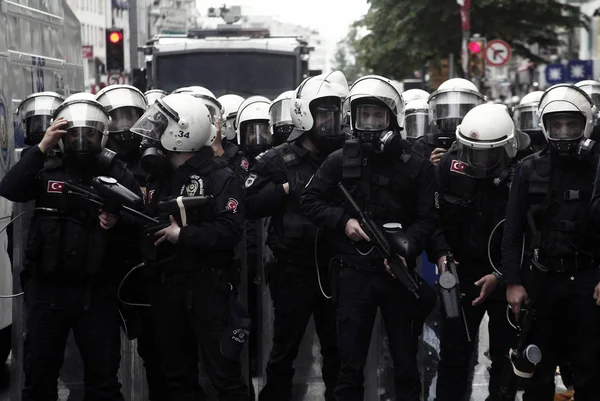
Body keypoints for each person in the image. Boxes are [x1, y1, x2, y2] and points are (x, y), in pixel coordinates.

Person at [300, 75, 437, 401]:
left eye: (378, 116)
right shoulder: (340, 160)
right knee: (349, 367)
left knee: (406, 364)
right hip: (353, 276)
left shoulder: (415, 165)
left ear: (392, 118)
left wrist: (407, 249)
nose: (372, 123)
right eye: (365, 116)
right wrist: (343, 221)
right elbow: (310, 200)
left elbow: (428, 219)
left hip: (397, 275)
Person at [0, 95, 142, 401]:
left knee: (103, 381)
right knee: (38, 378)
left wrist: (117, 218)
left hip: (96, 293)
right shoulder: (44, 167)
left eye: (89, 132)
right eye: (73, 132)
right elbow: (10, 187)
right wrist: (41, 148)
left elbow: (142, 216)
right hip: (47, 292)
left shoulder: (114, 169)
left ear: (101, 134)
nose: (81, 139)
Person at [130, 93, 249, 401]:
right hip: (167, 289)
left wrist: (182, 234)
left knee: (224, 375)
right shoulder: (159, 175)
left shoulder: (220, 176)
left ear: (180, 132)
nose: (155, 131)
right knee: (176, 377)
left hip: (209, 289)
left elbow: (229, 231)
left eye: (162, 125)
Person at [247, 71, 348, 401]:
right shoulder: (277, 159)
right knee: (284, 350)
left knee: (337, 350)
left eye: (334, 116)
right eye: (323, 116)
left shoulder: (344, 157)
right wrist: (286, 188)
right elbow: (248, 204)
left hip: (335, 268)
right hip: (293, 270)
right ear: (305, 115)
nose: (329, 124)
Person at [502, 84, 600, 401]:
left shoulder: (597, 166)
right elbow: (513, 230)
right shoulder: (529, 169)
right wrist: (513, 283)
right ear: (545, 126)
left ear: (585, 124)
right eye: (556, 124)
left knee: (590, 371)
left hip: (588, 280)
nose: (563, 132)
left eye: (571, 124)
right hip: (541, 281)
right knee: (537, 374)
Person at [432, 103, 524, 401]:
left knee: (505, 358)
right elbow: (432, 218)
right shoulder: (450, 166)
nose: (480, 160)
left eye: (488, 153)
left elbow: (531, 234)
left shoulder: (524, 171)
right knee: (454, 357)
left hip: (507, 277)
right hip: (461, 275)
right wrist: (442, 254)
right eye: (474, 151)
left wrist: (502, 276)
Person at [412, 78, 485, 166]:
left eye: (462, 110)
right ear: (437, 111)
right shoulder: (424, 145)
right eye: (446, 110)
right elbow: (415, 177)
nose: (454, 117)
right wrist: (430, 165)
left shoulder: (481, 144)